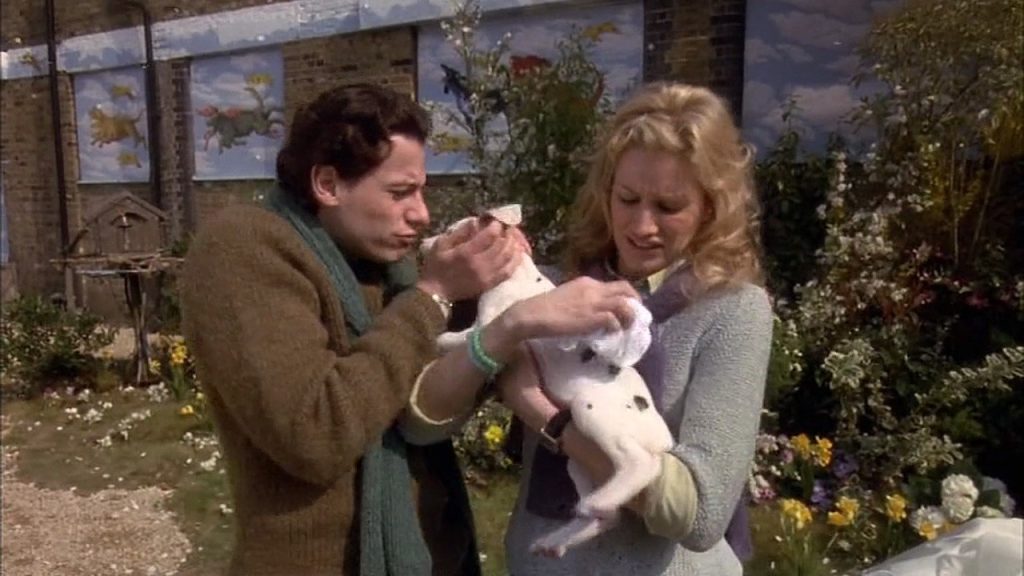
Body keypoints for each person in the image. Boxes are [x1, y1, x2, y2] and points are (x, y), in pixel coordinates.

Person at [179, 83, 638, 576]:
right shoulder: (243, 250)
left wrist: (484, 292)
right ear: (328, 184)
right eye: (399, 193)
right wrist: (435, 294)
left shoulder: (380, 262)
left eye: (421, 190)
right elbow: (315, 433)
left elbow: (422, 393)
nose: (420, 213)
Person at [496, 82, 773, 575]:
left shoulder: (732, 312)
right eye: (627, 198)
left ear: (711, 207)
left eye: (668, 207)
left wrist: (543, 413)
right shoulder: (562, 292)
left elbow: (701, 511)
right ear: (605, 193)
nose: (642, 225)